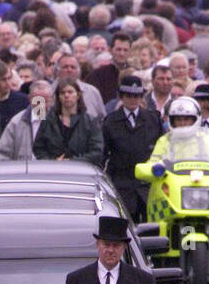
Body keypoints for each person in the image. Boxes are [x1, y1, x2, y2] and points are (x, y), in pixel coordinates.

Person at [101, 76, 161, 224]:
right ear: (121, 96)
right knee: (126, 227)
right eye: (128, 96)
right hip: (122, 184)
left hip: (148, 185)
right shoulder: (111, 121)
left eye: (137, 96)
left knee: (152, 229)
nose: (133, 99)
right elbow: (103, 154)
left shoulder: (153, 119)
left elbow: (162, 148)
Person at [33, 77, 103, 165]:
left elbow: (97, 152)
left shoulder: (91, 122)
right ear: (58, 97)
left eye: (70, 92)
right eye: (62, 93)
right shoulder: (48, 120)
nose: (66, 95)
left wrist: (72, 162)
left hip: (83, 171)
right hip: (53, 170)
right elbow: (38, 148)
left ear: (78, 95)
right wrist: (52, 161)